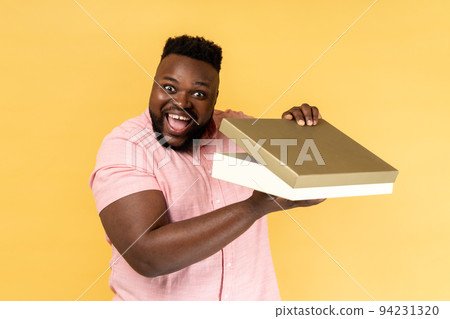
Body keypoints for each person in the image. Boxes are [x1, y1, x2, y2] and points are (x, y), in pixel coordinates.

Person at [89, 35, 325, 301]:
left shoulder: (239, 132)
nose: (181, 102)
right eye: (169, 87)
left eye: (199, 93)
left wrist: (304, 134)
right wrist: (255, 206)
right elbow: (147, 256)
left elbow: (315, 184)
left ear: (214, 99)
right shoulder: (126, 147)